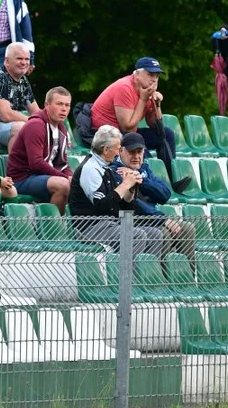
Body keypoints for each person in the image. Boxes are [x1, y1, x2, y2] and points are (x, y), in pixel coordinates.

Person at [90, 57, 190, 193]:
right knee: (140, 147)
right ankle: (151, 186)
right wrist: (143, 99)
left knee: (166, 134)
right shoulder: (124, 87)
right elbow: (127, 127)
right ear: (137, 74)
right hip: (107, 134)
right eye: (150, 74)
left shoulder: (146, 90)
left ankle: (171, 180)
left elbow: (154, 124)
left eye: (157, 76)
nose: (154, 79)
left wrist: (156, 104)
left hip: (124, 132)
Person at [69, 125, 166, 256]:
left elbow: (123, 207)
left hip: (110, 224)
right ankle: (126, 276)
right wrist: (125, 184)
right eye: (118, 148)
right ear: (106, 149)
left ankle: (146, 275)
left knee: (155, 234)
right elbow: (102, 205)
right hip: (90, 226)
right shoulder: (90, 168)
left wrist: (131, 190)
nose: (119, 152)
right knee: (137, 235)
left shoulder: (105, 166)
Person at [110, 132, 196, 265]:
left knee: (187, 228)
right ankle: (158, 279)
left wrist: (140, 180)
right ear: (121, 151)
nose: (137, 156)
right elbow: (134, 204)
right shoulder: (116, 171)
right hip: (133, 219)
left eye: (140, 152)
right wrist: (162, 219)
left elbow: (165, 194)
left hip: (153, 218)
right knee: (163, 234)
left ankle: (188, 278)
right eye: (132, 152)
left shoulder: (144, 169)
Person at [7, 86, 73, 215]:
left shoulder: (61, 128)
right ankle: (53, 229)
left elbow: (62, 163)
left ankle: (82, 228)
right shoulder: (36, 126)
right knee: (62, 185)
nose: (64, 109)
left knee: (79, 182)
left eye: (67, 105)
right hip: (22, 179)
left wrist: (72, 177)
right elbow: (36, 163)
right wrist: (65, 178)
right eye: (59, 104)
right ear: (47, 105)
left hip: (41, 176)